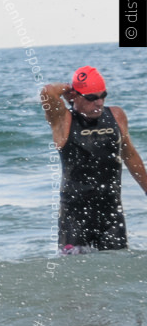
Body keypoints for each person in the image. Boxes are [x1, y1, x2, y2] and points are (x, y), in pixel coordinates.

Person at [41, 66, 147, 253]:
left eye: (102, 95)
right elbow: (48, 92)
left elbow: (130, 155)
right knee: (75, 273)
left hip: (112, 214)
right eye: (91, 98)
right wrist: (67, 89)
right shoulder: (63, 121)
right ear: (76, 96)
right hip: (74, 218)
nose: (99, 102)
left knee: (117, 272)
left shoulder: (116, 115)